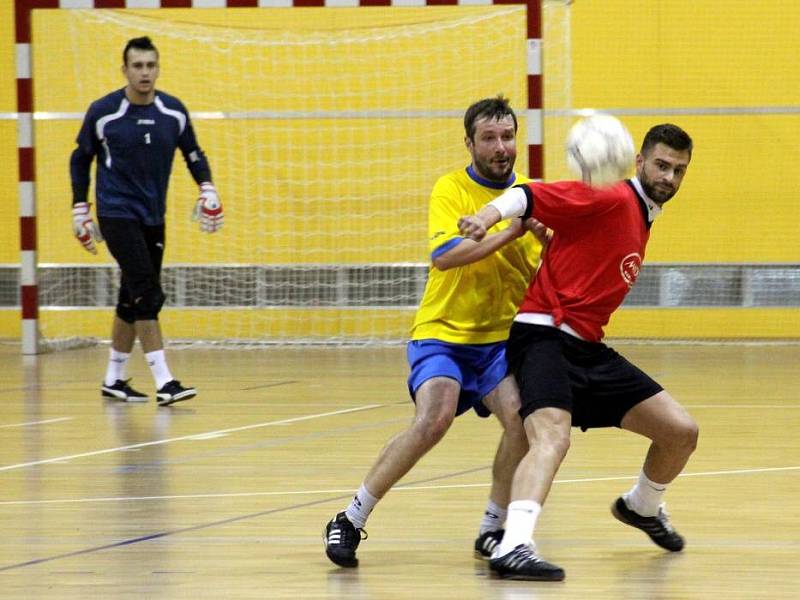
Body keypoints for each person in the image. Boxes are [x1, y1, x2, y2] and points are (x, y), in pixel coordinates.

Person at [458, 123, 699, 581]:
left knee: (680, 432)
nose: (669, 177)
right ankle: (513, 544)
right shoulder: (611, 197)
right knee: (550, 437)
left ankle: (642, 507)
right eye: (662, 165)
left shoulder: (641, 215)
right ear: (639, 162)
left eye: (679, 170)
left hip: (586, 346)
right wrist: (487, 217)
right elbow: (529, 195)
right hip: (544, 335)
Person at [323, 96, 546, 568]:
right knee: (434, 419)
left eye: (507, 136)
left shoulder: (531, 193)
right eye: (489, 138)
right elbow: (445, 255)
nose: (500, 146)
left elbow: (552, 258)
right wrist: (512, 230)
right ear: (469, 143)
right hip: (443, 333)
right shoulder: (450, 189)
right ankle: (350, 517)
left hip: (500, 343)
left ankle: (492, 527)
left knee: (522, 424)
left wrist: (548, 237)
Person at [69, 36, 223, 407]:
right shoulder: (105, 112)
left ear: (158, 68)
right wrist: (80, 208)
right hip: (116, 212)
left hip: (153, 215)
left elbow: (192, 152)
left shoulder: (173, 111)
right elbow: (80, 157)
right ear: (125, 70)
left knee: (130, 296)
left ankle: (114, 378)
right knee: (148, 293)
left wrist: (207, 188)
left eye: (150, 65)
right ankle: (165, 381)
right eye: (137, 66)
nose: (144, 73)